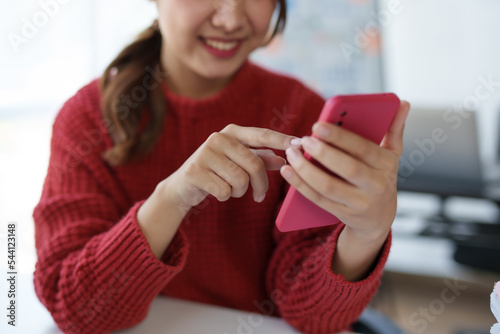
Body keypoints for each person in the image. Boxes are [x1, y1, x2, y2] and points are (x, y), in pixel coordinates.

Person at [33, 0, 410, 333]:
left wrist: (366, 234)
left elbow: (311, 319)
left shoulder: (302, 111)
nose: (231, 19)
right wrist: (171, 198)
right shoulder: (86, 120)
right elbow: (76, 310)